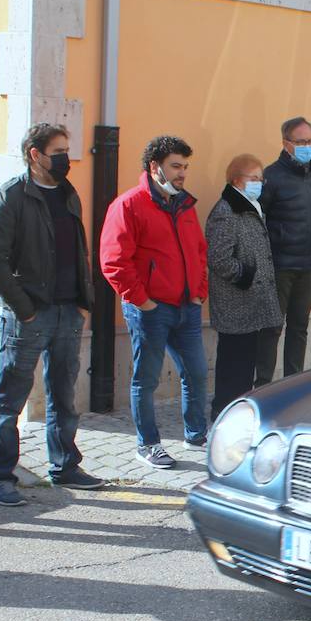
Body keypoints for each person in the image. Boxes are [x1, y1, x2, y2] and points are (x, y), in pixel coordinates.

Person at [0, 123, 104, 506]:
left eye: (68, 149)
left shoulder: (68, 194)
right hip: (29, 315)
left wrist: (84, 299)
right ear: (35, 154)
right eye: (58, 150)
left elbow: (78, 249)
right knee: (11, 396)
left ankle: (65, 464)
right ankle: (0, 476)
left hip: (68, 311)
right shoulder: (11, 197)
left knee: (64, 394)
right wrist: (23, 308)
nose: (66, 158)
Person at [99, 135, 209, 470]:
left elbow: (199, 253)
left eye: (185, 167)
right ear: (154, 167)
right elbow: (114, 261)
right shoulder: (129, 205)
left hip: (186, 308)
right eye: (176, 166)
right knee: (146, 379)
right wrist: (142, 301)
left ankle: (197, 435)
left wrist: (199, 291)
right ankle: (148, 444)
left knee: (197, 374)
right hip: (151, 310)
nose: (182, 173)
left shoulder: (185, 206)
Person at [206, 154, 283, 418]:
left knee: (246, 364)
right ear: (237, 180)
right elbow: (218, 258)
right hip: (235, 304)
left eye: (261, 178)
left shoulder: (250, 206)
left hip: (251, 304)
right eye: (253, 178)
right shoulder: (226, 211)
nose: (259, 183)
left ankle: (238, 413)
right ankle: (223, 413)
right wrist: (245, 275)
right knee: (233, 366)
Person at [257, 116, 311, 378]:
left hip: (308, 264)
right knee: (272, 329)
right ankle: (263, 385)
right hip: (280, 266)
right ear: (286, 143)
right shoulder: (271, 177)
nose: (308, 146)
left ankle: (293, 383)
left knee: (299, 328)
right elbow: (259, 218)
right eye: (301, 141)